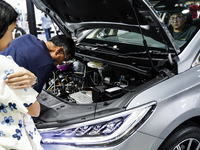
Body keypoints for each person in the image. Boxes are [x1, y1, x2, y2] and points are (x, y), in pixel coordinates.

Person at [0, 1, 43, 150]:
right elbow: (34, 110)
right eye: (11, 31)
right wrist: (33, 82)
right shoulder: (4, 65)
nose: (12, 39)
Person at [1, 34, 75, 93]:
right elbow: (33, 96)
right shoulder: (47, 63)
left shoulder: (28, 37)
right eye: (64, 59)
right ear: (58, 50)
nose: (60, 63)